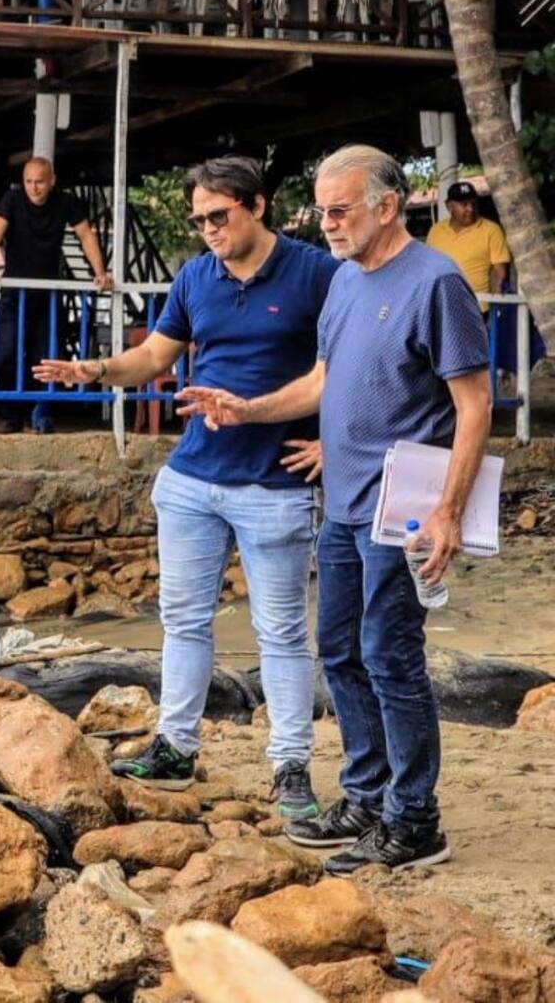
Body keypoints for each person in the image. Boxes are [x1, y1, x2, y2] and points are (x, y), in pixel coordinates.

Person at [179, 145, 490, 874]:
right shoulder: (346, 280)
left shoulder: (437, 282)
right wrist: (248, 408)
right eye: (321, 210)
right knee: (341, 651)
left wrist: (448, 512)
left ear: (389, 205)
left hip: (401, 509)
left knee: (390, 655)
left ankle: (415, 821)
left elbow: (474, 405)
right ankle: (368, 796)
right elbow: (322, 380)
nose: (327, 224)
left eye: (340, 209)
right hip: (343, 503)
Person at [35, 156, 338, 820]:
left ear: (257, 205)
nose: (208, 230)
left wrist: (335, 444)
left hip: (275, 484)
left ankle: (290, 767)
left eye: (218, 216)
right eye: (199, 220)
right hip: (192, 479)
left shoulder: (317, 272)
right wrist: (94, 370)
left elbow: (346, 368)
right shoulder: (197, 276)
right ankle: (175, 747)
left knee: (282, 633)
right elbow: (153, 357)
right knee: (182, 621)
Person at [0, 156, 113, 433]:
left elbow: (86, 235)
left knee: (45, 357)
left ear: (52, 182)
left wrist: (101, 273)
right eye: (28, 181)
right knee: (3, 354)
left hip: (49, 295)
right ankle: (9, 415)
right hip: (15, 294)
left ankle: (36, 414)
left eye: (39, 182)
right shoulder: (12, 199)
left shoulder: (66, 202)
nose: (33, 188)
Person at [425, 180, 512, 312]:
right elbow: (427, 268)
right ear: (449, 207)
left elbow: (500, 272)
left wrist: (497, 307)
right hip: (441, 308)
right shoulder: (435, 231)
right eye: (464, 204)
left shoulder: (491, 230)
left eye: (473, 204)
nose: (470, 209)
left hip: (477, 309)